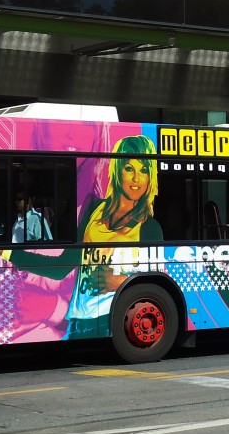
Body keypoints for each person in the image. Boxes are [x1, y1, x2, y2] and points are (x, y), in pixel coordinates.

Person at [65, 133, 162, 339]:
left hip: (114, 318)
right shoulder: (93, 209)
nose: (137, 179)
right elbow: (66, 263)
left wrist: (120, 282)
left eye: (144, 170)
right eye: (129, 169)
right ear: (118, 170)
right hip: (77, 320)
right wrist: (6, 252)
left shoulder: (149, 228)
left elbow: (158, 281)